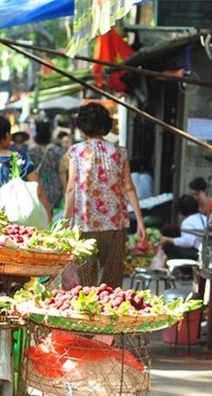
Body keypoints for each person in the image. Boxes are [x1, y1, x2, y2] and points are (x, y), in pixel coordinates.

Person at [63, 103, 146, 288]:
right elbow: (129, 188)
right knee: (112, 282)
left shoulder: (76, 152)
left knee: (84, 282)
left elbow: (71, 190)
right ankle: (109, 316)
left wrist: (65, 223)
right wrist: (140, 221)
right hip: (115, 225)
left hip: (84, 225)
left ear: (82, 126)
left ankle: (85, 315)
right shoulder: (119, 152)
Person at [27, 120, 65, 210]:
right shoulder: (58, 151)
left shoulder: (31, 153)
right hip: (55, 188)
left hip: (38, 189)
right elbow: (61, 172)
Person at [160, 194, 207, 260]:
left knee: (168, 248)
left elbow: (188, 242)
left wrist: (168, 240)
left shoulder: (188, 222)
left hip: (197, 252)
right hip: (204, 250)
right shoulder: (204, 218)